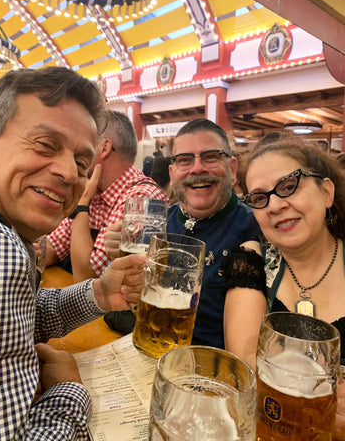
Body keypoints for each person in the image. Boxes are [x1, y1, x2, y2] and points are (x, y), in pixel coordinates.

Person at [0, 67, 146, 440]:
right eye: (45, 144)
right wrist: (69, 391)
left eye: (81, 163)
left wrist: (99, 295)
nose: (68, 174)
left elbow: (20, 313)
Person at [222, 138, 345, 438]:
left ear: (326, 192)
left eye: (289, 186)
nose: (275, 205)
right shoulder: (251, 261)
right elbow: (246, 368)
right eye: (260, 198)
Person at [105, 118, 261, 348]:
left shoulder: (257, 228)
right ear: (172, 172)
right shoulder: (154, 226)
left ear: (232, 168)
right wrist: (122, 266)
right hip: (148, 353)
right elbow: (127, 303)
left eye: (210, 157)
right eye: (185, 160)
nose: (197, 169)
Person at [45, 109, 168, 283]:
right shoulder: (95, 190)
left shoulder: (141, 198)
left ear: (104, 148)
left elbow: (87, 279)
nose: (71, 155)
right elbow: (53, 247)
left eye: (82, 146)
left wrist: (81, 205)